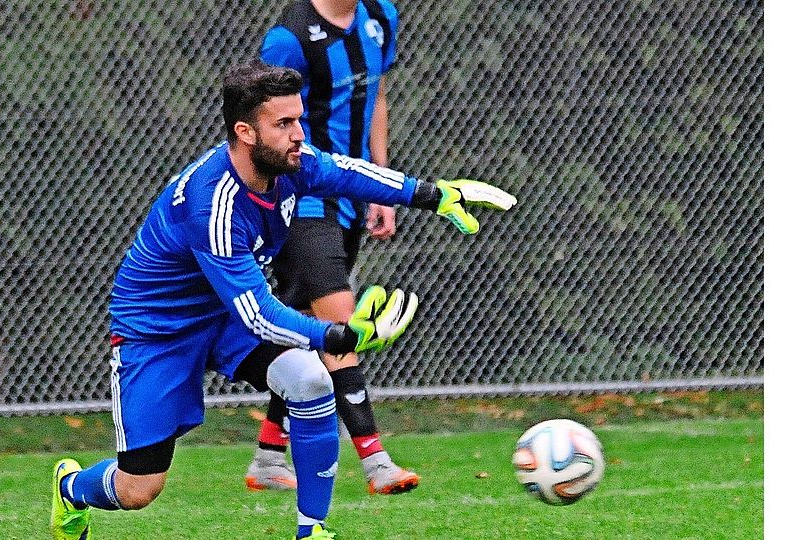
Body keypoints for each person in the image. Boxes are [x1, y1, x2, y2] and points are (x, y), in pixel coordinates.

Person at [49, 60, 516, 540]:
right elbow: (256, 313)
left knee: (311, 380)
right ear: (245, 132)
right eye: (285, 124)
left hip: (226, 314)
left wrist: (432, 195)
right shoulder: (214, 203)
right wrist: (338, 334)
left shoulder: (289, 164)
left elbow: (346, 172)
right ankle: (72, 489)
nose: (299, 134)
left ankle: (311, 531)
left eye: (299, 120)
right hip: (158, 332)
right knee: (138, 489)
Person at [247, 0, 414, 495]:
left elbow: (378, 95)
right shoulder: (289, 38)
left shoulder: (380, 16)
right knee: (339, 320)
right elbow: (260, 125)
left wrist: (382, 184)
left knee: (307, 331)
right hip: (303, 202)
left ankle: (267, 458)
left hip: (351, 196)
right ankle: (376, 460)